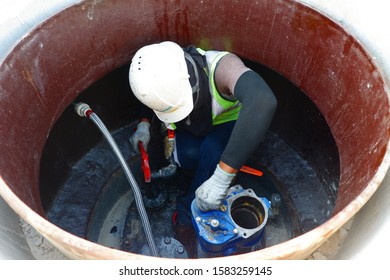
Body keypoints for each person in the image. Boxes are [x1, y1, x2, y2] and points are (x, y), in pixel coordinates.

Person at [128, 41, 277, 246]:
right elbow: (152, 94)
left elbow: (262, 100)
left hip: (227, 124)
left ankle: (188, 214)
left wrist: (222, 178)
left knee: (212, 151)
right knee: (187, 156)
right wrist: (144, 124)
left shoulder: (222, 69)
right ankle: (200, 178)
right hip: (192, 125)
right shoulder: (157, 71)